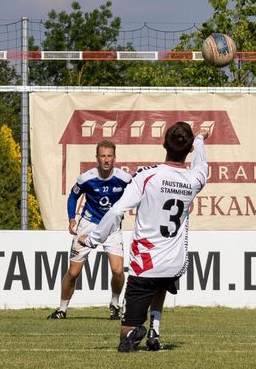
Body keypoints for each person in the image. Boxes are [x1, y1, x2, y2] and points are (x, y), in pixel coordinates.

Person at [78, 122, 209, 352]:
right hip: (173, 262)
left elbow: (117, 211)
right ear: (188, 150)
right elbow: (201, 164)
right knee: (161, 284)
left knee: (125, 339)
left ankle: (135, 331)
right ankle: (154, 331)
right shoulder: (194, 180)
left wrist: (91, 239)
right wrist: (200, 139)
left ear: (163, 144)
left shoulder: (147, 176)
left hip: (145, 264)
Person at [47, 140, 132, 320]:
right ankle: (62, 309)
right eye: (103, 156)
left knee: (118, 271)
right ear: (97, 158)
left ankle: (115, 305)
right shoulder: (86, 178)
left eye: (109, 156)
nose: (106, 160)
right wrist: (72, 218)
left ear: (115, 158)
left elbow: (138, 195)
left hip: (112, 227)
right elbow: (73, 196)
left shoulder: (124, 179)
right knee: (73, 272)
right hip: (88, 225)